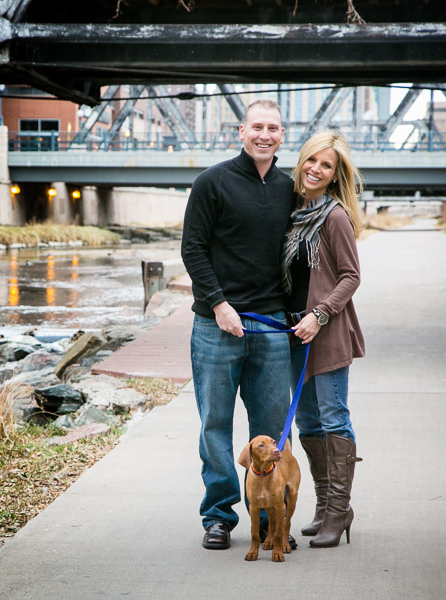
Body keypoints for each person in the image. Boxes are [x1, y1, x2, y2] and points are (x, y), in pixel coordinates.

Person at [181, 99, 296, 550]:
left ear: (281, 136)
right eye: (257, 127)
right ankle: (219, 516)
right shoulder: (212, 183)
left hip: (270, 326)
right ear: (241, 132)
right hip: (216, 325)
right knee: (216, 424)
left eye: (274, 128)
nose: (265, 135)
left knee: (271, 428)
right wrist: (218, 304)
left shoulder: (290, 188)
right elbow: (193, 249)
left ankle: (268, 520)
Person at [283, 131, 365, 548]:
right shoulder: (296, 212)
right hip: (295, 333)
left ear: (335, 175)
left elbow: (352, 276)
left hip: (327, 332)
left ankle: (339, 510)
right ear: (301, 162)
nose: (316, 168)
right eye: (311, 160)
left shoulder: (334, 217)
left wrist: (320, 313)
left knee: (333, 417)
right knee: (307, 421)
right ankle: (323, 507)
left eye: (326, 165)